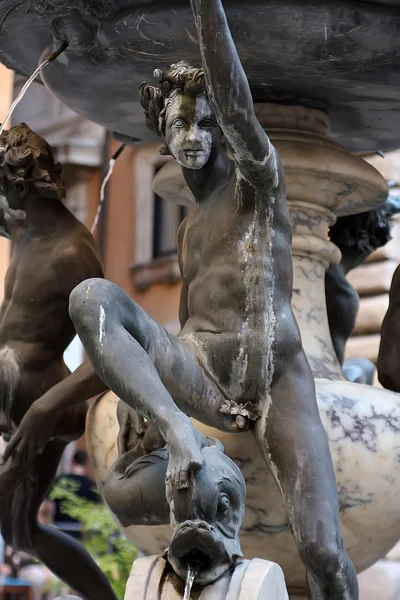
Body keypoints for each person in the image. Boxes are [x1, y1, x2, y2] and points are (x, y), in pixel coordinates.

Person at [7, 1, 357, 596]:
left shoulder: (255, 182)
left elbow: (235, 94)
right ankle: (180, 434)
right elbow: (179, 324)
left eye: (204, 124)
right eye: (179, 125)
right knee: (94, 297)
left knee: (323, 550)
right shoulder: (189, 225)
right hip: (201, 370)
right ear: (163, 134)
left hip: (273, 372)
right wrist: (150, 404)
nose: (192, 137)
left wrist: (207, 9)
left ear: (224, 129)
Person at [0, 124, 116, 600]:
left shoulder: (73, 253)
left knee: (20, 526)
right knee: (20, 533)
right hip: (12, 394)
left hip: (38, 409)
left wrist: (44, 411)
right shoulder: (25, 228)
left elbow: (111, 356)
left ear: (20, 186)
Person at [50, 450, 100, 541]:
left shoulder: (60, 481)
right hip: (81, 530)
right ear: (85, 463)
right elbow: (96, 509)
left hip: (59, 527)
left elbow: (47, 504)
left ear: (72, 462)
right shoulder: (91, 485)